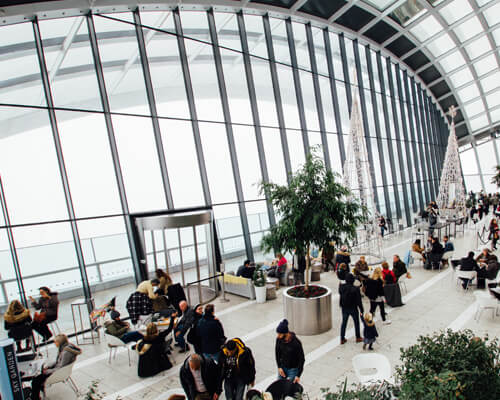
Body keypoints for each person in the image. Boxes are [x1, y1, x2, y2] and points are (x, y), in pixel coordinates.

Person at [30, 334, 81, 400]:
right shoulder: (64, 348)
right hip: (58, 370)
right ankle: (37, 394)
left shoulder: (66, 352)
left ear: (60, 342)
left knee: (36, 380)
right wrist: (48, 366)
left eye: (56, 342)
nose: (54, 343)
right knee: (38, 377)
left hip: (58, 372)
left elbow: (60, 367)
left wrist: (47, 371)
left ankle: (35, 397)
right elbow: (58, 361)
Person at [275, 319, 304, 383]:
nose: (278, 336)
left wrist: (298, 375)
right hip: (282, 367)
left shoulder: (296, 343)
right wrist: (279, 367)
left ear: (286, 333)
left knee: (289, 387)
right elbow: (277, 353)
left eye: (280, 334)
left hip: (293, 370)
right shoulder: (279, 339)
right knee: (278, 384)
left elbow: (301, 359)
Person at [339, 274, 364, 344]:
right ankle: (358, 337)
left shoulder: (341, 287)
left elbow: (340, 293)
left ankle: (342, 338)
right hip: (353, 308)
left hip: (344, 307)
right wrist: (361, 309)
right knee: (356, 322)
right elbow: (359, 301)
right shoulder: (355, 289)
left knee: (344, 323)